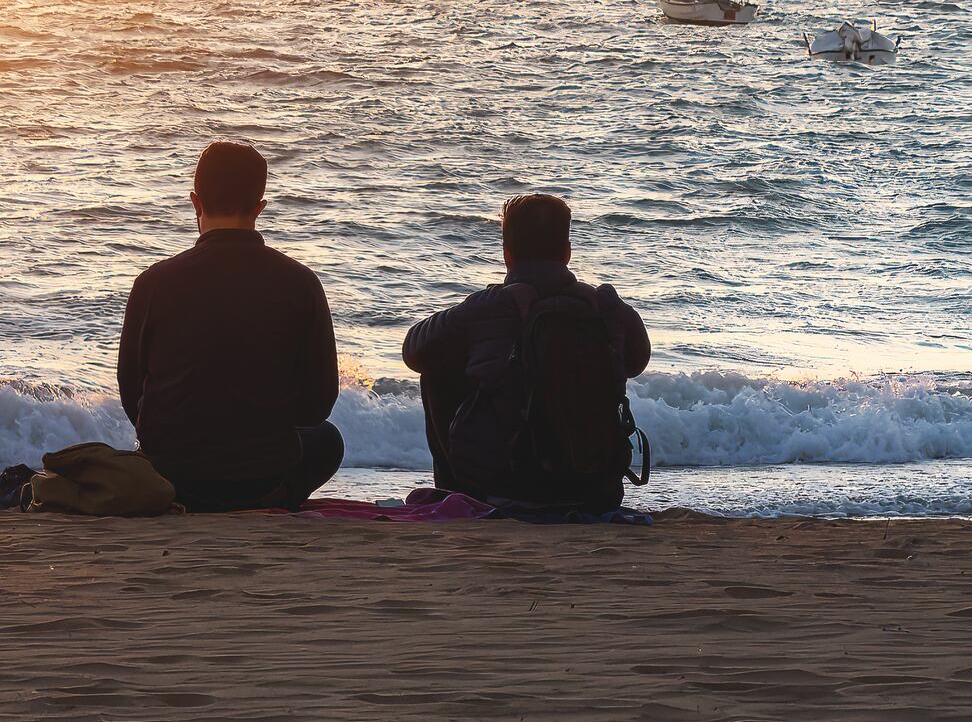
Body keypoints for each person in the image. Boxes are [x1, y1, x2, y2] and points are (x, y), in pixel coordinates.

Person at [113, 140, 344, 511]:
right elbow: (319, 402)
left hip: (172, 476)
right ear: (260, 207)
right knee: (327, 441)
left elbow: (131, 389)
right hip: (260, 477)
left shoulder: (153, 282)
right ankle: (275, 500)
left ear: (195, 202)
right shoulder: (301, 282)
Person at [400, 192, 650, 511]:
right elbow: (637, 361)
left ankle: (457, 491)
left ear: (508, 255)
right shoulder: (605, 306)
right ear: (567, 252)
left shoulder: (489, 306)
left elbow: (413, 351)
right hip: (596, 487)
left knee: (436, 368)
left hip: (506, 486)